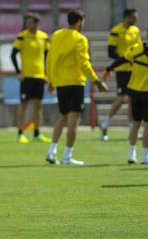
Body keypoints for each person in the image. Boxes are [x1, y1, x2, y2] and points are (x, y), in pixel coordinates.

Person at [45, 10, 108, 165]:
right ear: (79, 22)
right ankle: (67, 156)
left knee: (63, 116)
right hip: (75, 82)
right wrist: (96, 81)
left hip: (60, 83)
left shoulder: (57, 35)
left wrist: (51, 80)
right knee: (74, 118)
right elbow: (84, 63)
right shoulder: (80, 39)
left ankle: (52, 151)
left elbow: (50, 58)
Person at [103, 26, 148, 165]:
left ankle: (131, 155)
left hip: (134, 91)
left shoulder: (136, 48)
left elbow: (122, 59)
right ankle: (145, 157)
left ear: (147, 35)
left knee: (135, 124)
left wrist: (108, 69)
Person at [100, 8, 141, 141]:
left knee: (132, 99)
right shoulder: (116, 30)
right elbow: (110, 52)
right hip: (122, 69)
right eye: (133, 17)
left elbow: (139, 49)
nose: (135, 20)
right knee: (123, 97)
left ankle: (131, 128)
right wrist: (124, 59)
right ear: (126, 17)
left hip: (134, 69)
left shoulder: (136, 31)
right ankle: (105, 122)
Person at [11, 12, 51, 144]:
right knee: (23, 105)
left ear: (36, 23)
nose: (28, 24)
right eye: (26, 22)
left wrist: (46, 73)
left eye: (30, 22)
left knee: (38, 106)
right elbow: (13, 55)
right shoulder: (22, 36)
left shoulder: (44, 37)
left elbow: (47, 56)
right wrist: (18, 71)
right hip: (26, 77)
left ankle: (37, 133)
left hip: (39, 76)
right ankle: (20, 133)